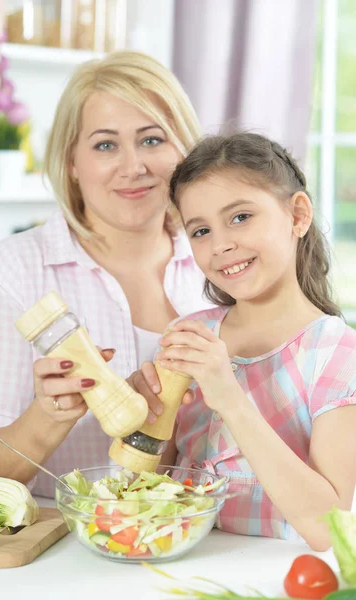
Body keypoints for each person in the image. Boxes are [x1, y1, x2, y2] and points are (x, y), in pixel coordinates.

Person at [0, 50, 213, 497]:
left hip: (198, 540)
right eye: (105, 145)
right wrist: (48, 416)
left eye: (152, 139)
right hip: (57, 557)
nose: (133, 166)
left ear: (183, 150)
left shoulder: (220, 261)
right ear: (72, 162)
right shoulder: (11, 274)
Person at [141, 132, 356, 551]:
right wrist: (146, 420)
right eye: (200, 230)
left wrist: (229, 396)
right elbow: (144, 488)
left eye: (240, 217)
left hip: (278, 577)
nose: (221, 244)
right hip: (179, 565)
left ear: (297, 215)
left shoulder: (337, 352)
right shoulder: (190, 336)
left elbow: (329, 529)